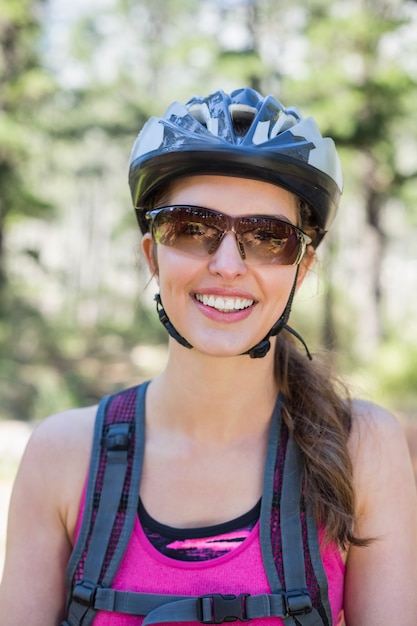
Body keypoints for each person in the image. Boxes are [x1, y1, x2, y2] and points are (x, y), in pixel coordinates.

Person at [0, 87, 416, 626]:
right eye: (192, 228)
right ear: (153, 253)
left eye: (269, 237)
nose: (226, 264)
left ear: (302, 268)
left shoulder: (363, 449)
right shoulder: (64, 457)